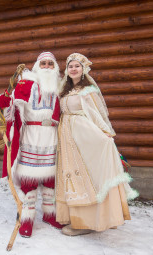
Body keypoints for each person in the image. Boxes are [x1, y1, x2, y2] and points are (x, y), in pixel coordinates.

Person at [55, 53, 138, 236]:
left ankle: (88, 222)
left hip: (84, 134)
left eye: (77, 66)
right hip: (68, 137)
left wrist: (105, 134)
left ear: (83, 69)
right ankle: (75, 219)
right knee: (73, 176)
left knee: (88, 177)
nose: (73, 69)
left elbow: (97, 114)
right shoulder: (65, 91)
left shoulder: (88, 90)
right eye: (70, 66)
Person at [0, 52, 64, 237]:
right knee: (29, 177)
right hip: (31, 135)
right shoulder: (26, 83)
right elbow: (11, 104)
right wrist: (3, 102)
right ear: (37, 66)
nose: (46, 66)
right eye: (43, 63)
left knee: (50, 179)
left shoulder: (59, 88)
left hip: (52, 135)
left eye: (50, 64)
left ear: (55, 68)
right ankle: (26, 219)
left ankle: (49, 214)